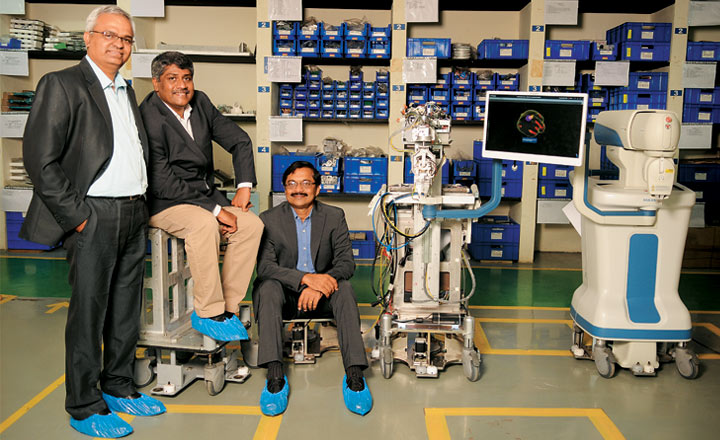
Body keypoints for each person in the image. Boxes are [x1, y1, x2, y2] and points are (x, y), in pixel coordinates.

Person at [20, 6, 165, 438]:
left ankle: (118, 386)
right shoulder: (62, 84)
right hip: (94, 214)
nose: (119, 45)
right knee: (89, 312)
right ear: (88, 38)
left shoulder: (125, 89)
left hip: (133, 212)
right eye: (109, 35)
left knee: (126, 308)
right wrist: (79, 217)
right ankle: (84, 405)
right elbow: (40, 161)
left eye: (126, 39)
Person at [139, 51, 263, 341]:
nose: (182, 85)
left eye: (187, 78)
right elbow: (163, 182)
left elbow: (240, 140)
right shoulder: (148, 117)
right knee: (203, 224)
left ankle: (228, 307)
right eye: (172, 78)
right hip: (164, 200)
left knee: (251, 225)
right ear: (156, 83)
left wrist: (244, 186)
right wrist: (217, 211)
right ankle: (208, 312)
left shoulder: (201, 103)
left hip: (203, 193)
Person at [253, 161, 372, 417]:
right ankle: (275, 377)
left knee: (345, 289)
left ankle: (354, 375)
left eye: (306, 183)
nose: (299, 189)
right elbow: (265, 267)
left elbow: (346, 263)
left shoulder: (334, 216)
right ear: (285, 189)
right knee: (267, 287)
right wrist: (306, 279)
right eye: (292, 184)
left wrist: (320, 285)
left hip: (322, 297)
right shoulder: (269, 219)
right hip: (285, 295)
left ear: (317, 189)